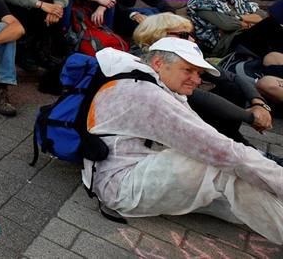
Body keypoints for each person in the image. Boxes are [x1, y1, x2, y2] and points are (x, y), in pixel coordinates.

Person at [83, 38, 283, 244]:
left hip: (118, 170)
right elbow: (221, 150)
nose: (197, 80)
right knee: (222, 165)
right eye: (188, 70)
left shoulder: (138, 76)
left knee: (243, 179)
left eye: (198, 73)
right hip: (119, 186)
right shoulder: (149, 95)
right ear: (159, 63)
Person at [132, 14, 282, 159]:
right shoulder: (145, 60)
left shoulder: (177, 54)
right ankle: (239, 152)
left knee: (229, 87)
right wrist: (250, 117)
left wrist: (258, 103)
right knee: (199, 96)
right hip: (151, 136)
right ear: (156, 35)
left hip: (177, 125)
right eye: (184, 35)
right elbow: (199, 97)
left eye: (192, 34)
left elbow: (233, 76)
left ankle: (238, 146)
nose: (192, 39)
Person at [187, 0, 283, 59]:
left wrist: (239, 18)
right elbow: (228, 25)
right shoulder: (201, 2)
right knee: (269, 26)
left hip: (241, 35)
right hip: (223, 44)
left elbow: (263, 15)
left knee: (272, 25)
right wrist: (250, 21)